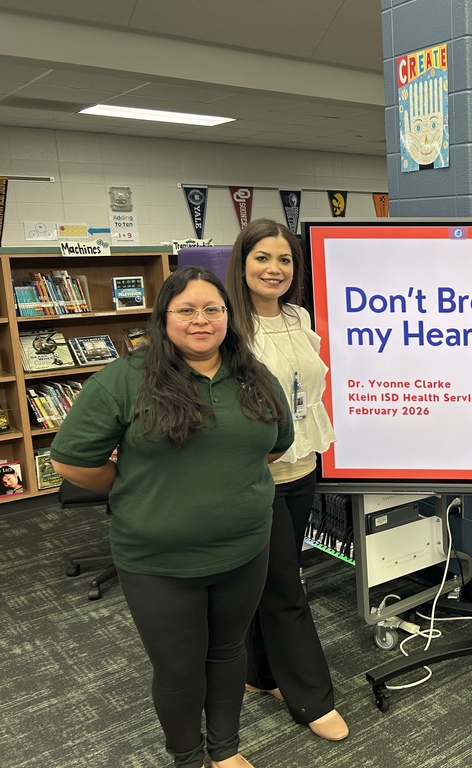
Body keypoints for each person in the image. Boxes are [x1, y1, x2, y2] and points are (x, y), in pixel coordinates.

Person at [50, 266, 294, 768]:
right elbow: (72, 462)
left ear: (229, 316)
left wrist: (225, 481)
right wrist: (131, 488)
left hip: (245, 547)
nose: (201, 320)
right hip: (159, 561)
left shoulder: (254, 375)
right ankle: (188, 757)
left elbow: (274, 447)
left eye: (213, 309)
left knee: (228, 653)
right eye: (187, 310)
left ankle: (225, 748)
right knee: (180, 668)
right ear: (164, 318)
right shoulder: (124, 379)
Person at [226, 219, 347, 741]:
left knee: (269, 576)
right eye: (263, 259)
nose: (275, 269)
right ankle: (312, 699)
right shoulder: (229, 324)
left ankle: (260, 673)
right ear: (242, 263)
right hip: (256, 474)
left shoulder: (300, 318)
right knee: (285, 588)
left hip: (303, 464)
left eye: (286, 260)